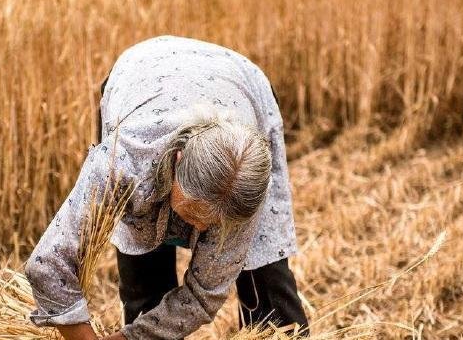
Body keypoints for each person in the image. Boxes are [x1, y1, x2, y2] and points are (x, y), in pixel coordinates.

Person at [25, 35, 308, 340]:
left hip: (241, 84)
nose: (199, 226)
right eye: (193, 210)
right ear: (179, 158)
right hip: (142, 75)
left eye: (211, 222)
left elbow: (203, 295)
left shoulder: (242, 183)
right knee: (144, 275)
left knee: (265, 274)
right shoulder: (123, 162)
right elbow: (47, 265)